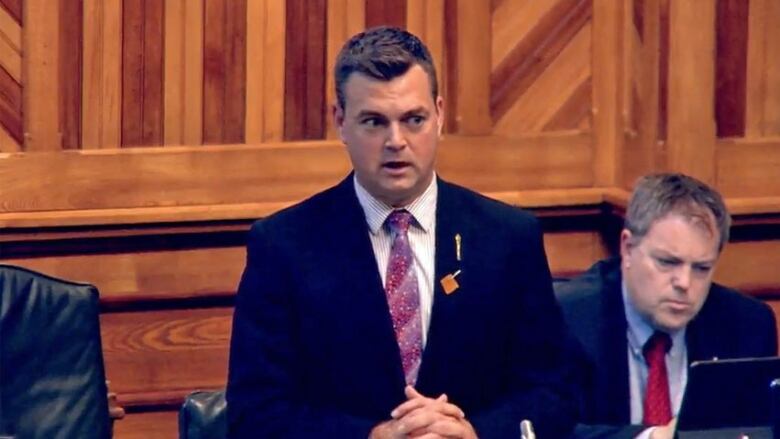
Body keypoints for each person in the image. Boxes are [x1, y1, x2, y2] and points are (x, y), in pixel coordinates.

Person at [226, 26, 578, 438]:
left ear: (440, 115)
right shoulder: (284, 246)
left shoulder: (508, 239)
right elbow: (255, 415)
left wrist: (475, 433)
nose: (396, 141)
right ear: (340, 122)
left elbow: (554, 395)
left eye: (414, 119)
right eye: (374, 122)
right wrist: (371, 437)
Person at [556, 173, 778, 439]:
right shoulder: (567, 319)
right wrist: (653, 438)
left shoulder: (746, 326)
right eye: (667, 262)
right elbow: (549, 431)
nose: (684, 283)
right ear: (627, 248)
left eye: (701, 268)